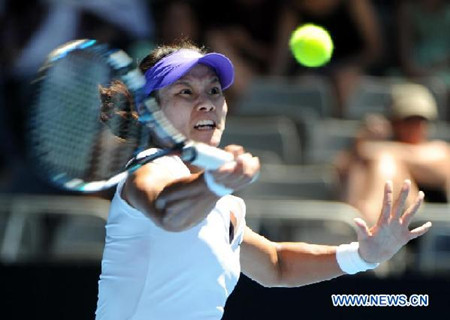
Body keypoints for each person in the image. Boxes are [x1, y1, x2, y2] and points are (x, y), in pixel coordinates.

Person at [95, 40, 431, 319]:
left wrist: (362, 256)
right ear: (150, 111)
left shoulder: (226, 207)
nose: (207, 103)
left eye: (214, 90)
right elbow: (166, 210)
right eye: (185, 92)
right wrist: (214, 183)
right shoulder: (149, 167)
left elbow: (277, 264)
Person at [336, 82, 450, 224]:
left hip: (425, 228)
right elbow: (340, 169)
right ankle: (361, 224)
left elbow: (417, 158)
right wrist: (360, 143)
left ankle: (368, 219)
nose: (415, 127)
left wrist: (367, 147)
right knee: (360, 166)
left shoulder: (438, 150)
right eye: (407, 120)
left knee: (386, 161)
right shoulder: (371, 155)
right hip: (390, 226)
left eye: (420, 120)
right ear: (394, 122)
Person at [270, 0, 383, 117]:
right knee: (307, 83)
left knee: (345, 81)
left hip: (353, 66)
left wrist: (349, 67)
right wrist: (273, 81)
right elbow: (282, 56)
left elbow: (374, 49)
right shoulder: (293, 7)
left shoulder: (355, 3)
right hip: (312, 70)